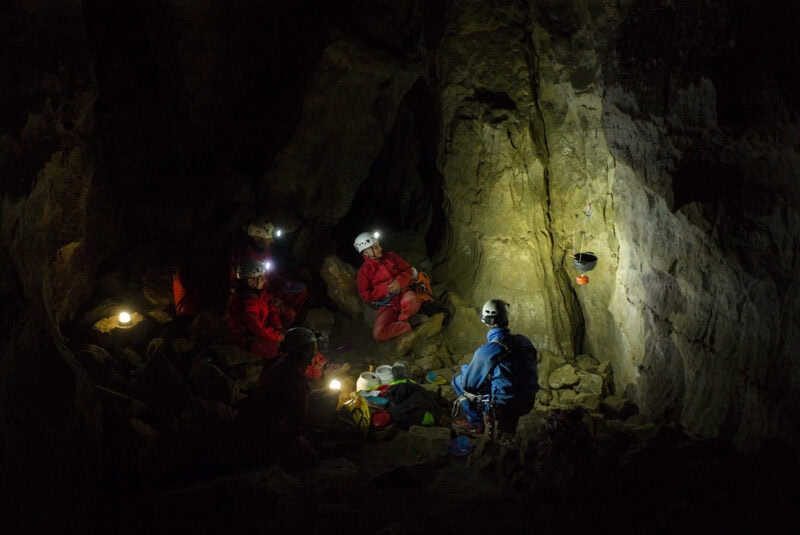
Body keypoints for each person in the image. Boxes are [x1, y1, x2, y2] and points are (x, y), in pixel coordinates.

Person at [451, 299, 539, 440]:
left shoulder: (487, 351)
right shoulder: (523, 341)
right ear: (505, 318)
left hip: (502, 408)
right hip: (528, 401)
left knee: (458, 380)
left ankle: (475, 424)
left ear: (485, 322)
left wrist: (467, 369)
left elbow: (469, 385)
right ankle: (507, 429)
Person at [236, 327, 321, 470]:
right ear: (304, 352)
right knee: (311, 458)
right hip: (267, 430)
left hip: (252, 417)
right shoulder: (297, 381)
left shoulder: (280, 362)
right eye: (311, 348)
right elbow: (297, 422)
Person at [230, 218, 308, 327]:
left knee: (301, 291)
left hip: (267, 287)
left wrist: (284, 283)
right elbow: (246, 291)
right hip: (260, 295)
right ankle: (280, 330)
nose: (272, 241)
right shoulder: (245, 259)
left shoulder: (263, 251)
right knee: (290, 314)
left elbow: (270, 274)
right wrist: (271, 299)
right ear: (258, 239)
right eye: (268, 239)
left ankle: (289, 322)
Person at [354, 231, 425, 341]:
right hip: (387, 304)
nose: (381, 249)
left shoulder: (391, 257)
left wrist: (399, 281)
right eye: (376, 247)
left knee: (411, 300)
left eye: (379, 245)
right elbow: (365, 295)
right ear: (366, 252)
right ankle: (406, 325)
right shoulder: (363, 272)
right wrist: (384, 289)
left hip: (403, 293)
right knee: (379, 334)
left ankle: (403, 319)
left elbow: (408, 270)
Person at [226, 257, 285, 360]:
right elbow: (258, 327)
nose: (265, 280)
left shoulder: (256, 294)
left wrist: (278, 327)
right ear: (251, 281)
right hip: (247, 338)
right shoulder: (246, 304)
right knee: (279, 350)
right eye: (261, 277)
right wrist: (278, 336)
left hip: (258, 330)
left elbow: (270, 304)